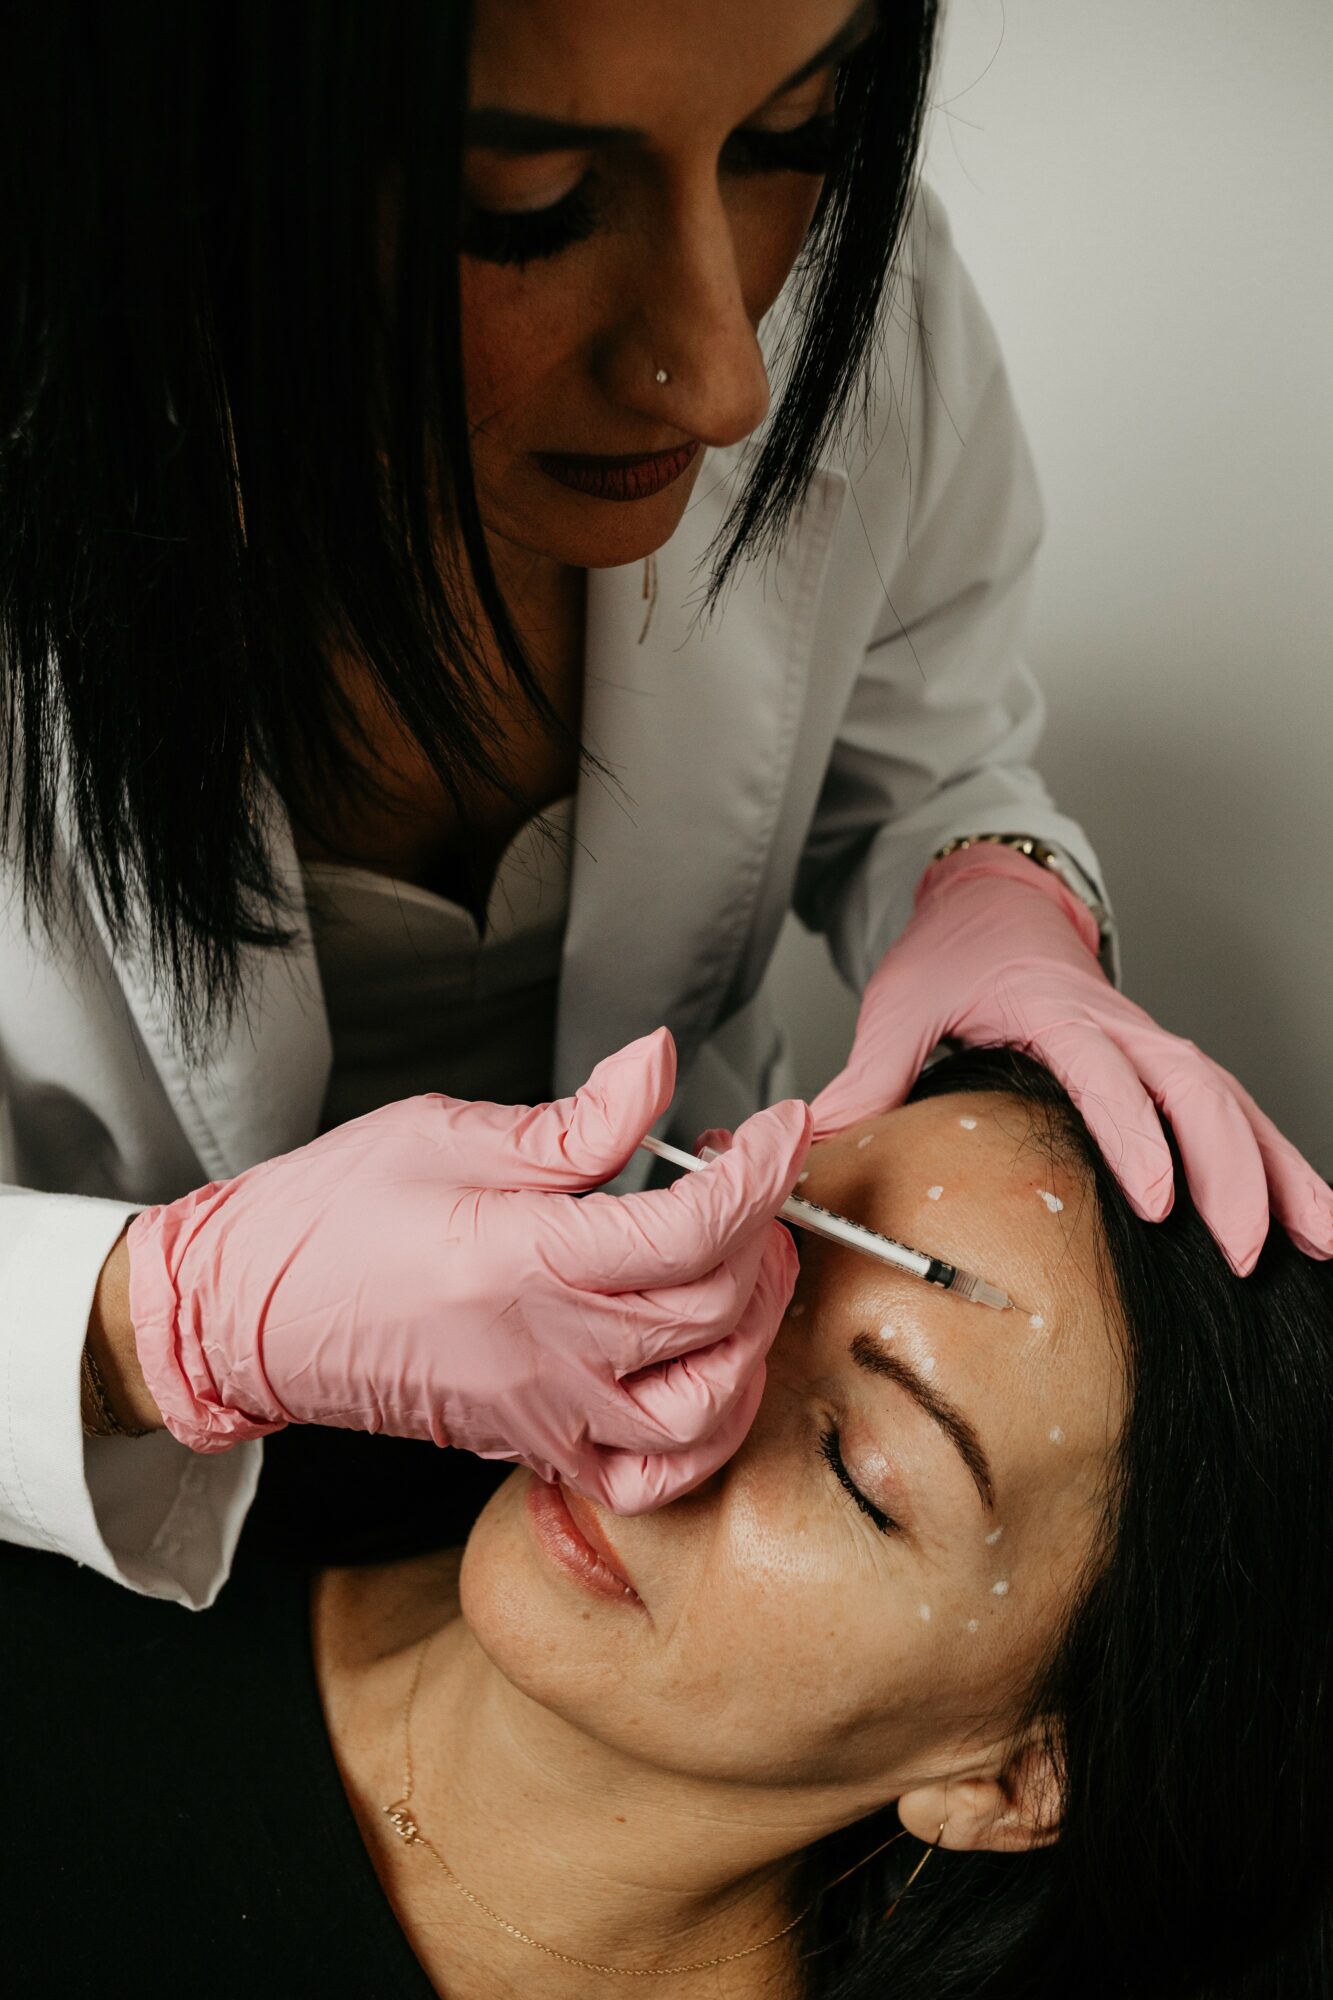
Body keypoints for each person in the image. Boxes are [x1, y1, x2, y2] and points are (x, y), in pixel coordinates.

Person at [2, 1, 1329, 1604]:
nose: (721, 382)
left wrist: (999, 890)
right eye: (531, 208)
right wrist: (165, 1321)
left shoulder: (864, 292)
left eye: (792, 137)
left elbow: (931, 757)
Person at [5, 1047, 1330, 1998]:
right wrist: (125, 1336)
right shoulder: (203, 1446)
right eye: (759, 1256)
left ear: (1010, 1778)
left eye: (858, 1466)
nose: (670, 1406)